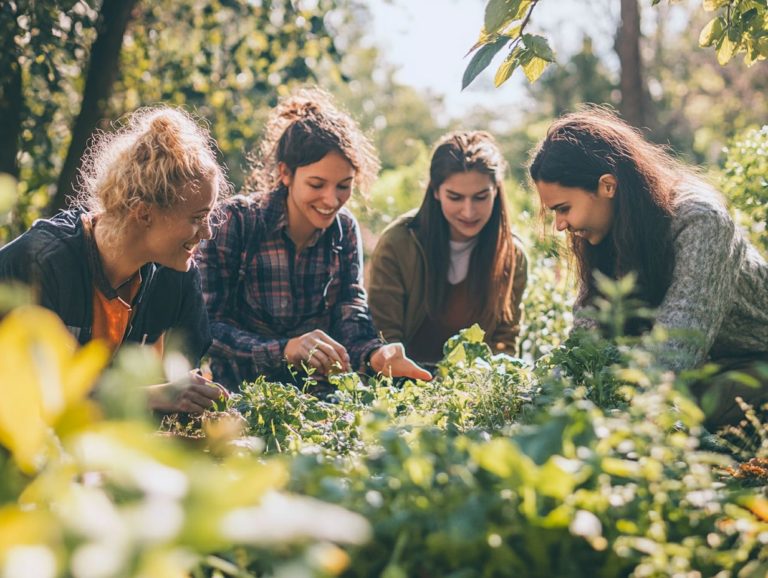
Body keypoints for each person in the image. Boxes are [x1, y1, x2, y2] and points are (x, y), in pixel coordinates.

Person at [528, 106, 768, 429]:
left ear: (607, 186)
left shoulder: (701, 221)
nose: (559, 225)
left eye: (564, 209)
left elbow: (677, 351)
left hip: (753, 357)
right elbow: (587, 337)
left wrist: (603, 411)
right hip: (707, 364)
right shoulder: (606, 234)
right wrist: (543, 398)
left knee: (683, 413)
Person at [197, 88, 431, 390]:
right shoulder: (237, 222)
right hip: (241, 399)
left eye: (344, 186)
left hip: (321, 401)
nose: (331, 199)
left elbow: (351, 311)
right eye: (317, 184)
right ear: (286, 173)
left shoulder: (344, 230)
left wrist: (375, 354)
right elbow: (206, 328)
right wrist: (285, 349)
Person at [0, 106, 229, 413]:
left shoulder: (176, 273)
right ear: (145, 212)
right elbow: (23, 393)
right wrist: (151, 396)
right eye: (198, 218)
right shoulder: (38, 263)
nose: (207, 233)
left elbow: (182, 373)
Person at [368, 131, 528, 366]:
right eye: (455, 197)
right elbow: (384, 335)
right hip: (406, 384)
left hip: (472, 389)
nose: (469, 211)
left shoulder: (511, 254)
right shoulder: (398, 243)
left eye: (481, 197)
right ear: (435, 191)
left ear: (496, 191)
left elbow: (504, 340)